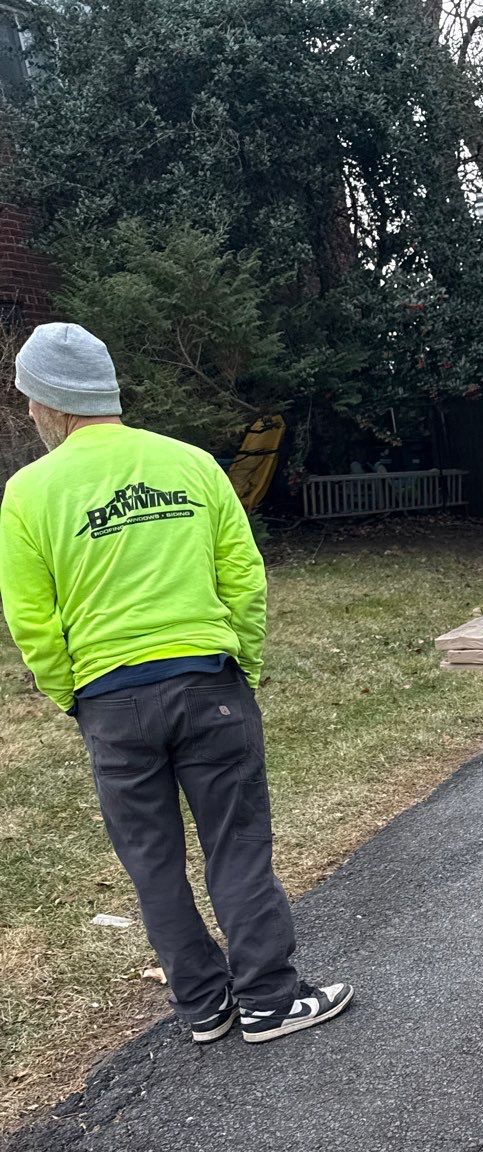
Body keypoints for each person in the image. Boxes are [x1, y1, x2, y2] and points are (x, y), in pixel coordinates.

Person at [0, 321, 352, 1044]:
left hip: (109, 701)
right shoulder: (191, 465)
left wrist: (73, 694)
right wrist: (241, 665)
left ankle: (202, 1006)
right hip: (208, 684)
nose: (28, 415)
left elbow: (31, 619)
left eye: (28, 402)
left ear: (48, 404)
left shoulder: (28, 493)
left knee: (152, 861)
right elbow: (243, 579)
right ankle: (269, 1001)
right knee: (237, 845)